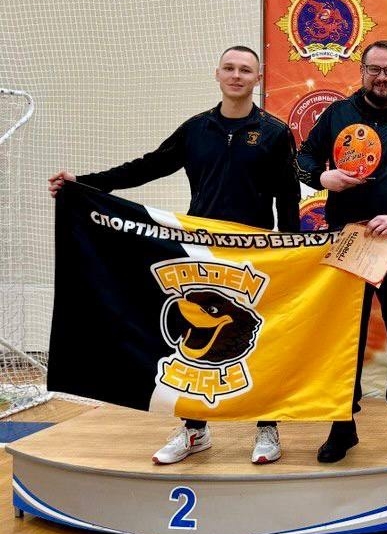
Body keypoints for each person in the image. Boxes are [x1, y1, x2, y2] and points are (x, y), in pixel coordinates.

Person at [48, 45, 300, 466]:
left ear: (258, 79)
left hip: (254, 254)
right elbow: (147, 166)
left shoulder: (274, 132)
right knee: (194, 339)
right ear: (217, 74)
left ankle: (267, 427)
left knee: (259, 340)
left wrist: (290, 251)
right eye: (229, 68)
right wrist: (84, 184)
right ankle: (194, 430)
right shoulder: (196, 129)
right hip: (198, 247)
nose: (236, 75)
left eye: (246, 70)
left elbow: (288, 198)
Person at [297, 40, 387, 465]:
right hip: (348, 240)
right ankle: (341, 424)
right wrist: (322, 178)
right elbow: (301, 159)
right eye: (375, 69)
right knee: (344, 336)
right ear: (362, 71)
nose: (382, 77)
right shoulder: (337, 114)